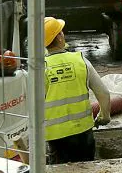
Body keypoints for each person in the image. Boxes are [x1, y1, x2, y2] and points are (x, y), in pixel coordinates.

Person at [43, 16, 112, 163]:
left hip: (56, 137)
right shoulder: (80, 60)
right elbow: (104, 94)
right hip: (83, 132)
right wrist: (104, 116)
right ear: (60, 38)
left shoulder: (40, 67)